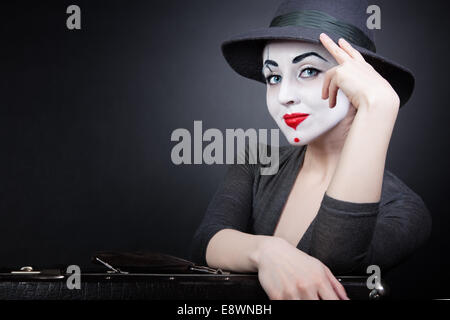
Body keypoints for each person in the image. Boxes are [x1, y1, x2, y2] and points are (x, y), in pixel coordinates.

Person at [189, 0, 432, 300]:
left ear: (360, 80)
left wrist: (378, 110)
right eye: (274, 77)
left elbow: (336, 260)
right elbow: (207, 242)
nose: (285, 96)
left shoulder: (403, 209)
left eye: (308, 71)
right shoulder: (257, 162)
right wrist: (268, 251)